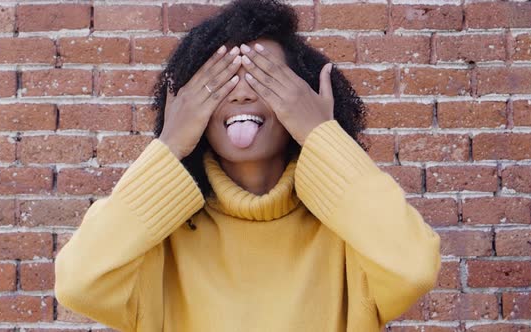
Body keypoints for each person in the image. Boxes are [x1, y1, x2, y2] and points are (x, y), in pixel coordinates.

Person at [54, 0, 442, 331]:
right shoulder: (156, 244)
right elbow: (78, 282)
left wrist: (322, 135)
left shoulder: (351, 235)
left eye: (262, 77)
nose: (240, 93)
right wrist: (169, 145)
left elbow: (415, 266)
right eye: (222, 81)